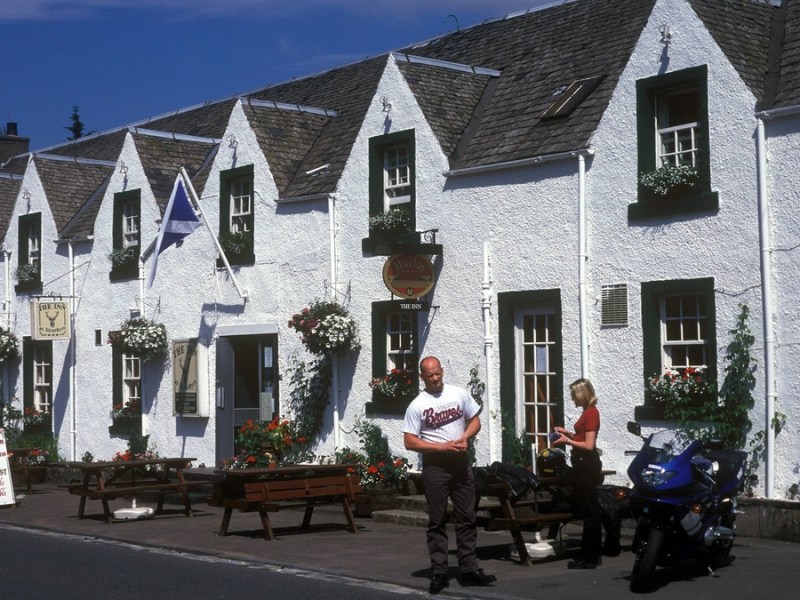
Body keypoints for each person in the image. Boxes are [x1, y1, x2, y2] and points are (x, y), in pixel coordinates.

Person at [403, 356, 497, 594]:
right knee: (437, 520)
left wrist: (465, 437)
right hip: (435, 466)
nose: (435, 378)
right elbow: (409, 441)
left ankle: (468, 569)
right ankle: (439, 571)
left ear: (442, 371)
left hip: (460, 463)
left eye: (437, 373)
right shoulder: (417, 405)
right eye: (429, 375)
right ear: (422, 377)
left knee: (467, 517)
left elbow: (475, 421)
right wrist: (440, 447)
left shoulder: (459, 394)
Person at [552, 377, 604, 569]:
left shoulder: (591, 414)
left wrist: (567, 441)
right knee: (588, 509)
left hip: (586, 463)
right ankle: (590, 554)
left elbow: (589, 445)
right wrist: (568, 433)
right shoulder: (587, 412)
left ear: (582, 394)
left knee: (590, 511)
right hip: (583, 463)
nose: (572, 399)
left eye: (574, 395)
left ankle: (590, 557)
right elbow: (583, 437)